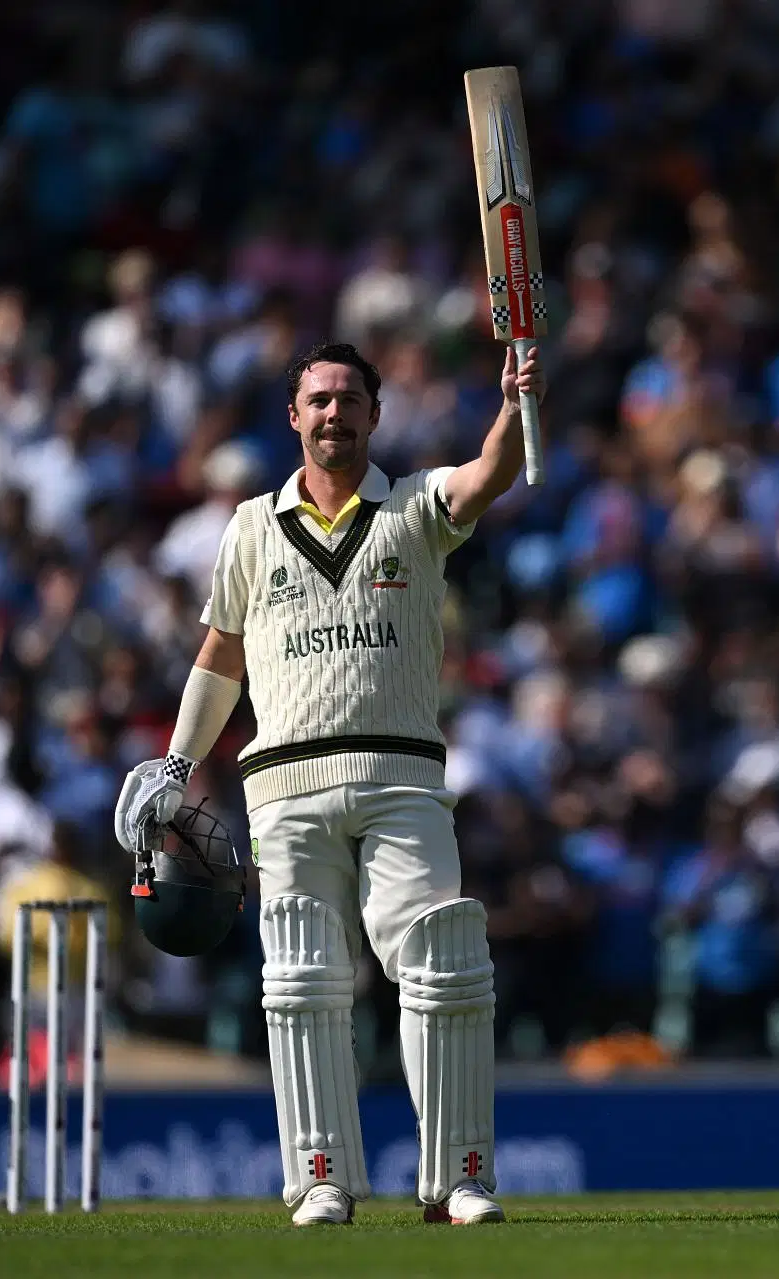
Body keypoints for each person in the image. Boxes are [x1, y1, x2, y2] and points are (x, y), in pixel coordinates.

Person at [115, 340, 543, 1226]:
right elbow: (220, 655)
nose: (334, 413)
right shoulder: (247, 526)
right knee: (302, 977)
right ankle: (321, 1178)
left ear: (374, 415)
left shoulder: (416, 505)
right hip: (285, 786)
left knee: (443, 960)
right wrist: (178, 762)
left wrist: (513, 404)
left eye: (350, 399)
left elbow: (486, 476)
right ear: (294, 416)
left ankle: (459, 1176)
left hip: (402, 776)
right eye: (318, 400)